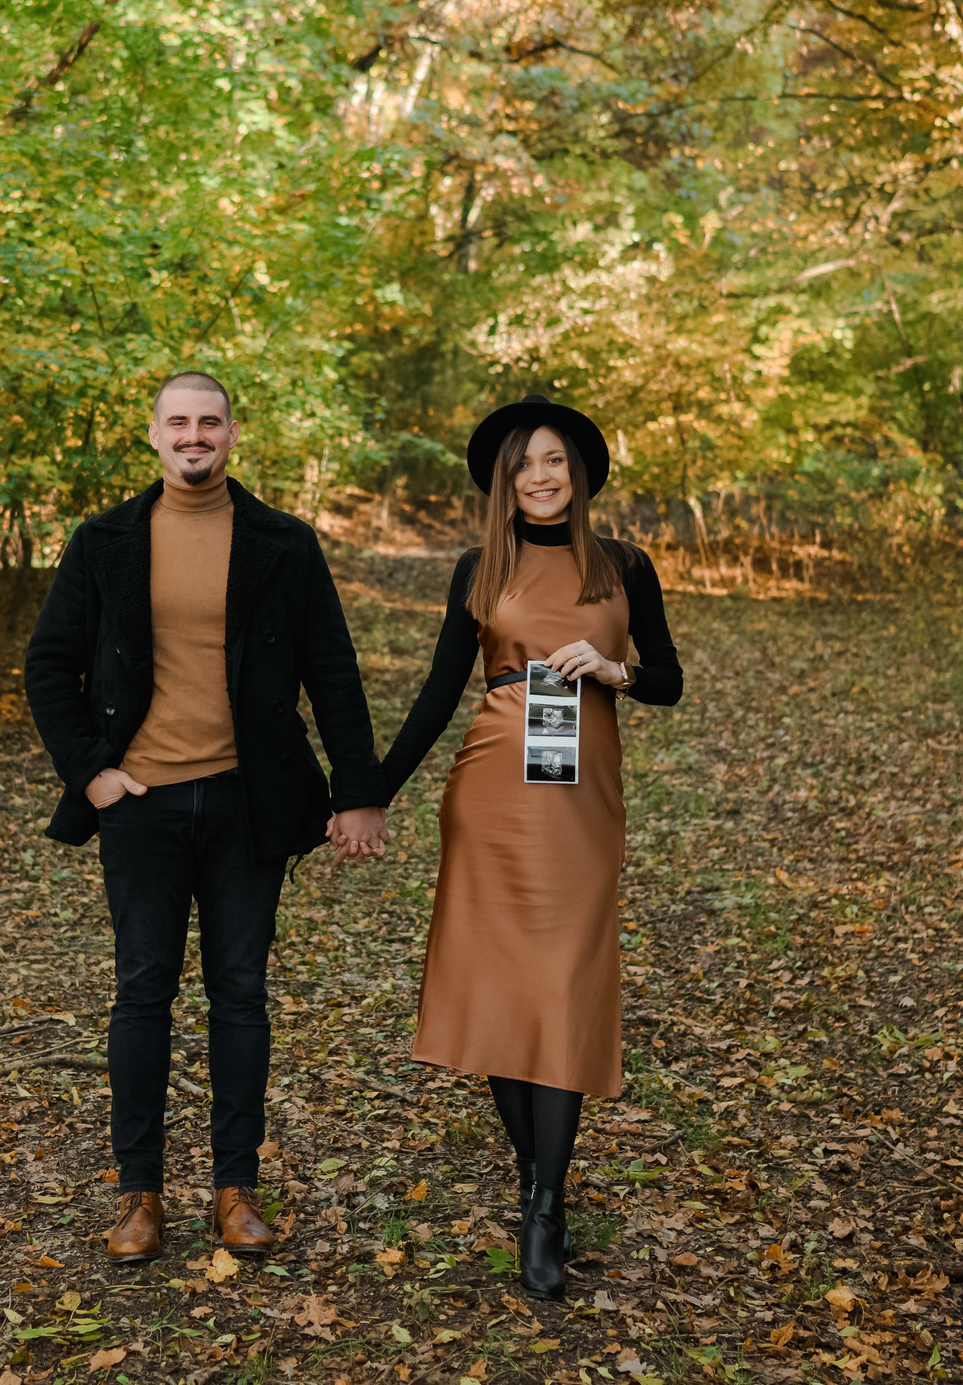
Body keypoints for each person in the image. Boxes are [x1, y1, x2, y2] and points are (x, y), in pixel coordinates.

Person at [24, 372, 391, 1263]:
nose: (195, 435)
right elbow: (47, 666)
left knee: (241, 996)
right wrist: (95, 774)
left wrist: (359, 790)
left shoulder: (283, 543)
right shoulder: (105, 539)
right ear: (153, 435)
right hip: (140, 807)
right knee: (143, 992)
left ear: (233, 433)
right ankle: (138, 1195)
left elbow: (332, 673)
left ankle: (235, 1189)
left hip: (245, 802)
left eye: (210, 422)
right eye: (178, 422)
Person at [377, 394, 684, 1300]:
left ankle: (544, 1196)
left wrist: (618, 671)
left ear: (577, 474)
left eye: (554, 462)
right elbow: (439, 689)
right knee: (504, 987)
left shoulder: (626, 564)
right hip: (492, 790)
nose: (540, 477)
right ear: (504, 484)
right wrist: (369, 791)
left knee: (562, 984)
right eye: (523, 465)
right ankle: (542, 1193)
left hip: (580, 800)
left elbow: (667, 677)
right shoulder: (481, 565)